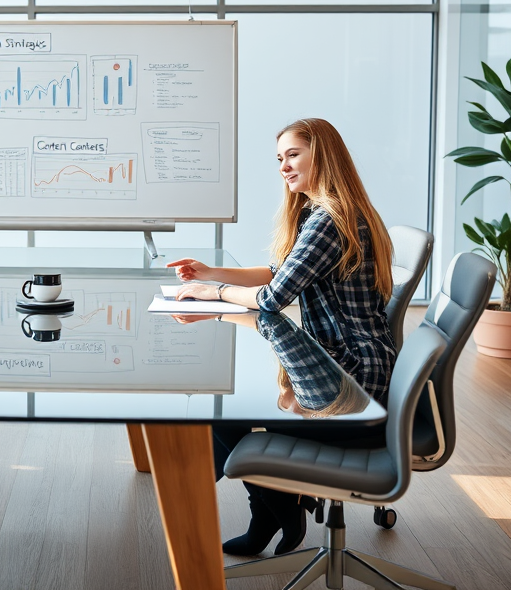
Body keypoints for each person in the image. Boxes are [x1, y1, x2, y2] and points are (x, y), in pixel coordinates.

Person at [167, 117, 395, 557]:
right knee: (230, 406)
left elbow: (272, 297)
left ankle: (270, 510)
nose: (283, 167)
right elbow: (280, 274)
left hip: (352, 377)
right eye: (279, 158)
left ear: (322, 155)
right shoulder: (322, 214)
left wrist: (211, 294)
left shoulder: (332, 219)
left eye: (293, 155)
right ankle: (273, 510)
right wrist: (210, 273)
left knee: (228, 408)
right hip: (348, 362)